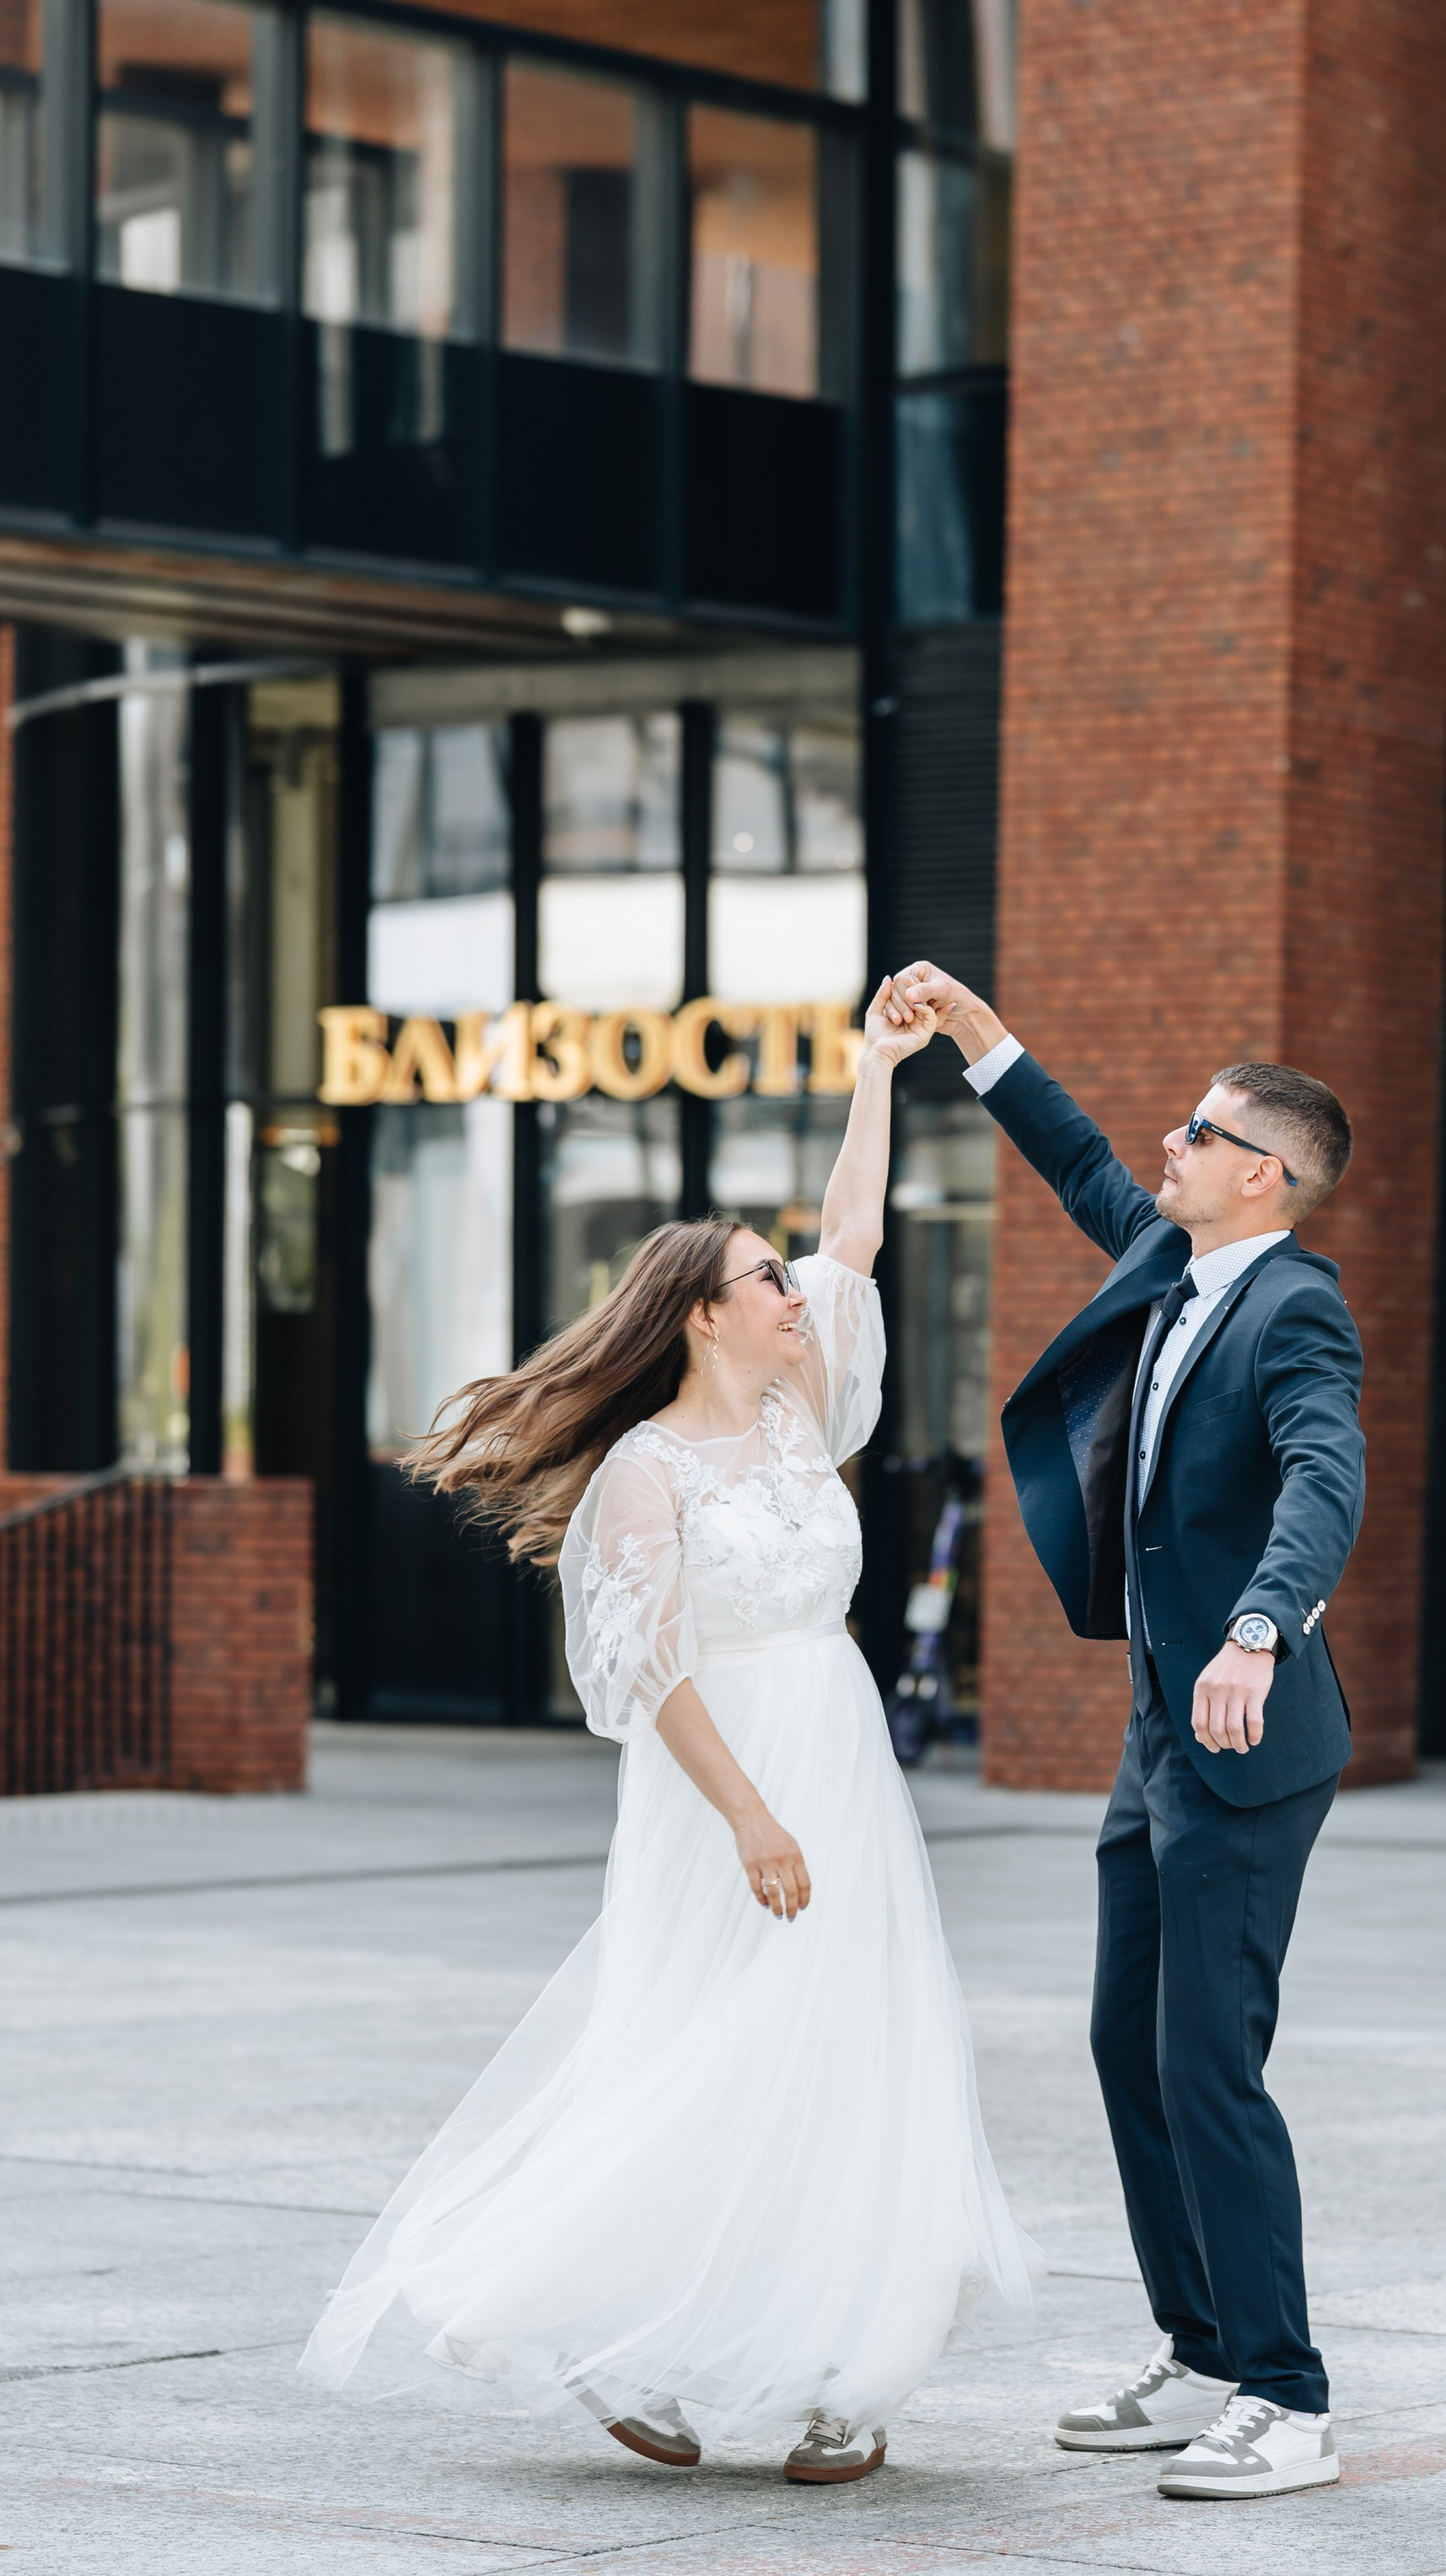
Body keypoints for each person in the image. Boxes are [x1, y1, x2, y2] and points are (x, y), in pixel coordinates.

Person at [299, 979, 1036, 2485]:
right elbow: (651, 1677)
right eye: (763, 1280)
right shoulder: (646, 1471)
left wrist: (879, 1071)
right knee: (705, 2047)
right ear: (704, 1313)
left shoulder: (798, 1411)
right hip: (726, 1777)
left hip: (842, 1749)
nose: (793, 1292)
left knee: (858, 2047)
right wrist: (753, 1817)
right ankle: (601, 2329)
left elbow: (857, 1230)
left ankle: (853, 2372)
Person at [898, 963, 1363, 2502]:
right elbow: (1085, 1161)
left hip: (1249, 1732)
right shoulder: (1174, 1256)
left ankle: (1286, 2397)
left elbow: (1323, 1481)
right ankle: (1205, 2349)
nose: (1172, 1143)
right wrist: (978, 1040)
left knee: (1208, 2061)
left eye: (1203, 1129)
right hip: (1160, 1728)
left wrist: (1257, 1623)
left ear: (1267, 1174)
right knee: (1125, 2044)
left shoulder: (1298, 1310)